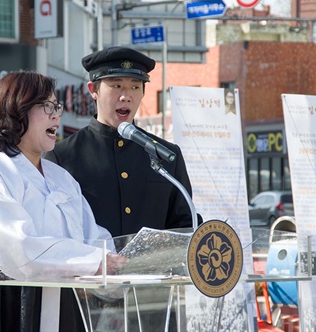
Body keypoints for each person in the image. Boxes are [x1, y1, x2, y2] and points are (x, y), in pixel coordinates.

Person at [0, 71, 126, 332]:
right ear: (17, 110)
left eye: (56, 106)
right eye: (47, 106)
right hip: (7, 299)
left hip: (65, 299)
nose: (56, 115)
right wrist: (93, 261)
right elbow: (17, 245)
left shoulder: (63, 178)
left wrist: (118, 263)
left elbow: (93, 236)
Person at [44, 46, 202, 239]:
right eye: (116, 86)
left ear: (143, 92)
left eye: (135, 87)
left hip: (152, 269)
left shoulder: (167, 154)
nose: (126, 96)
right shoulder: (62, 156)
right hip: (91, 269)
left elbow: (185, 225)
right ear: (93, 90)